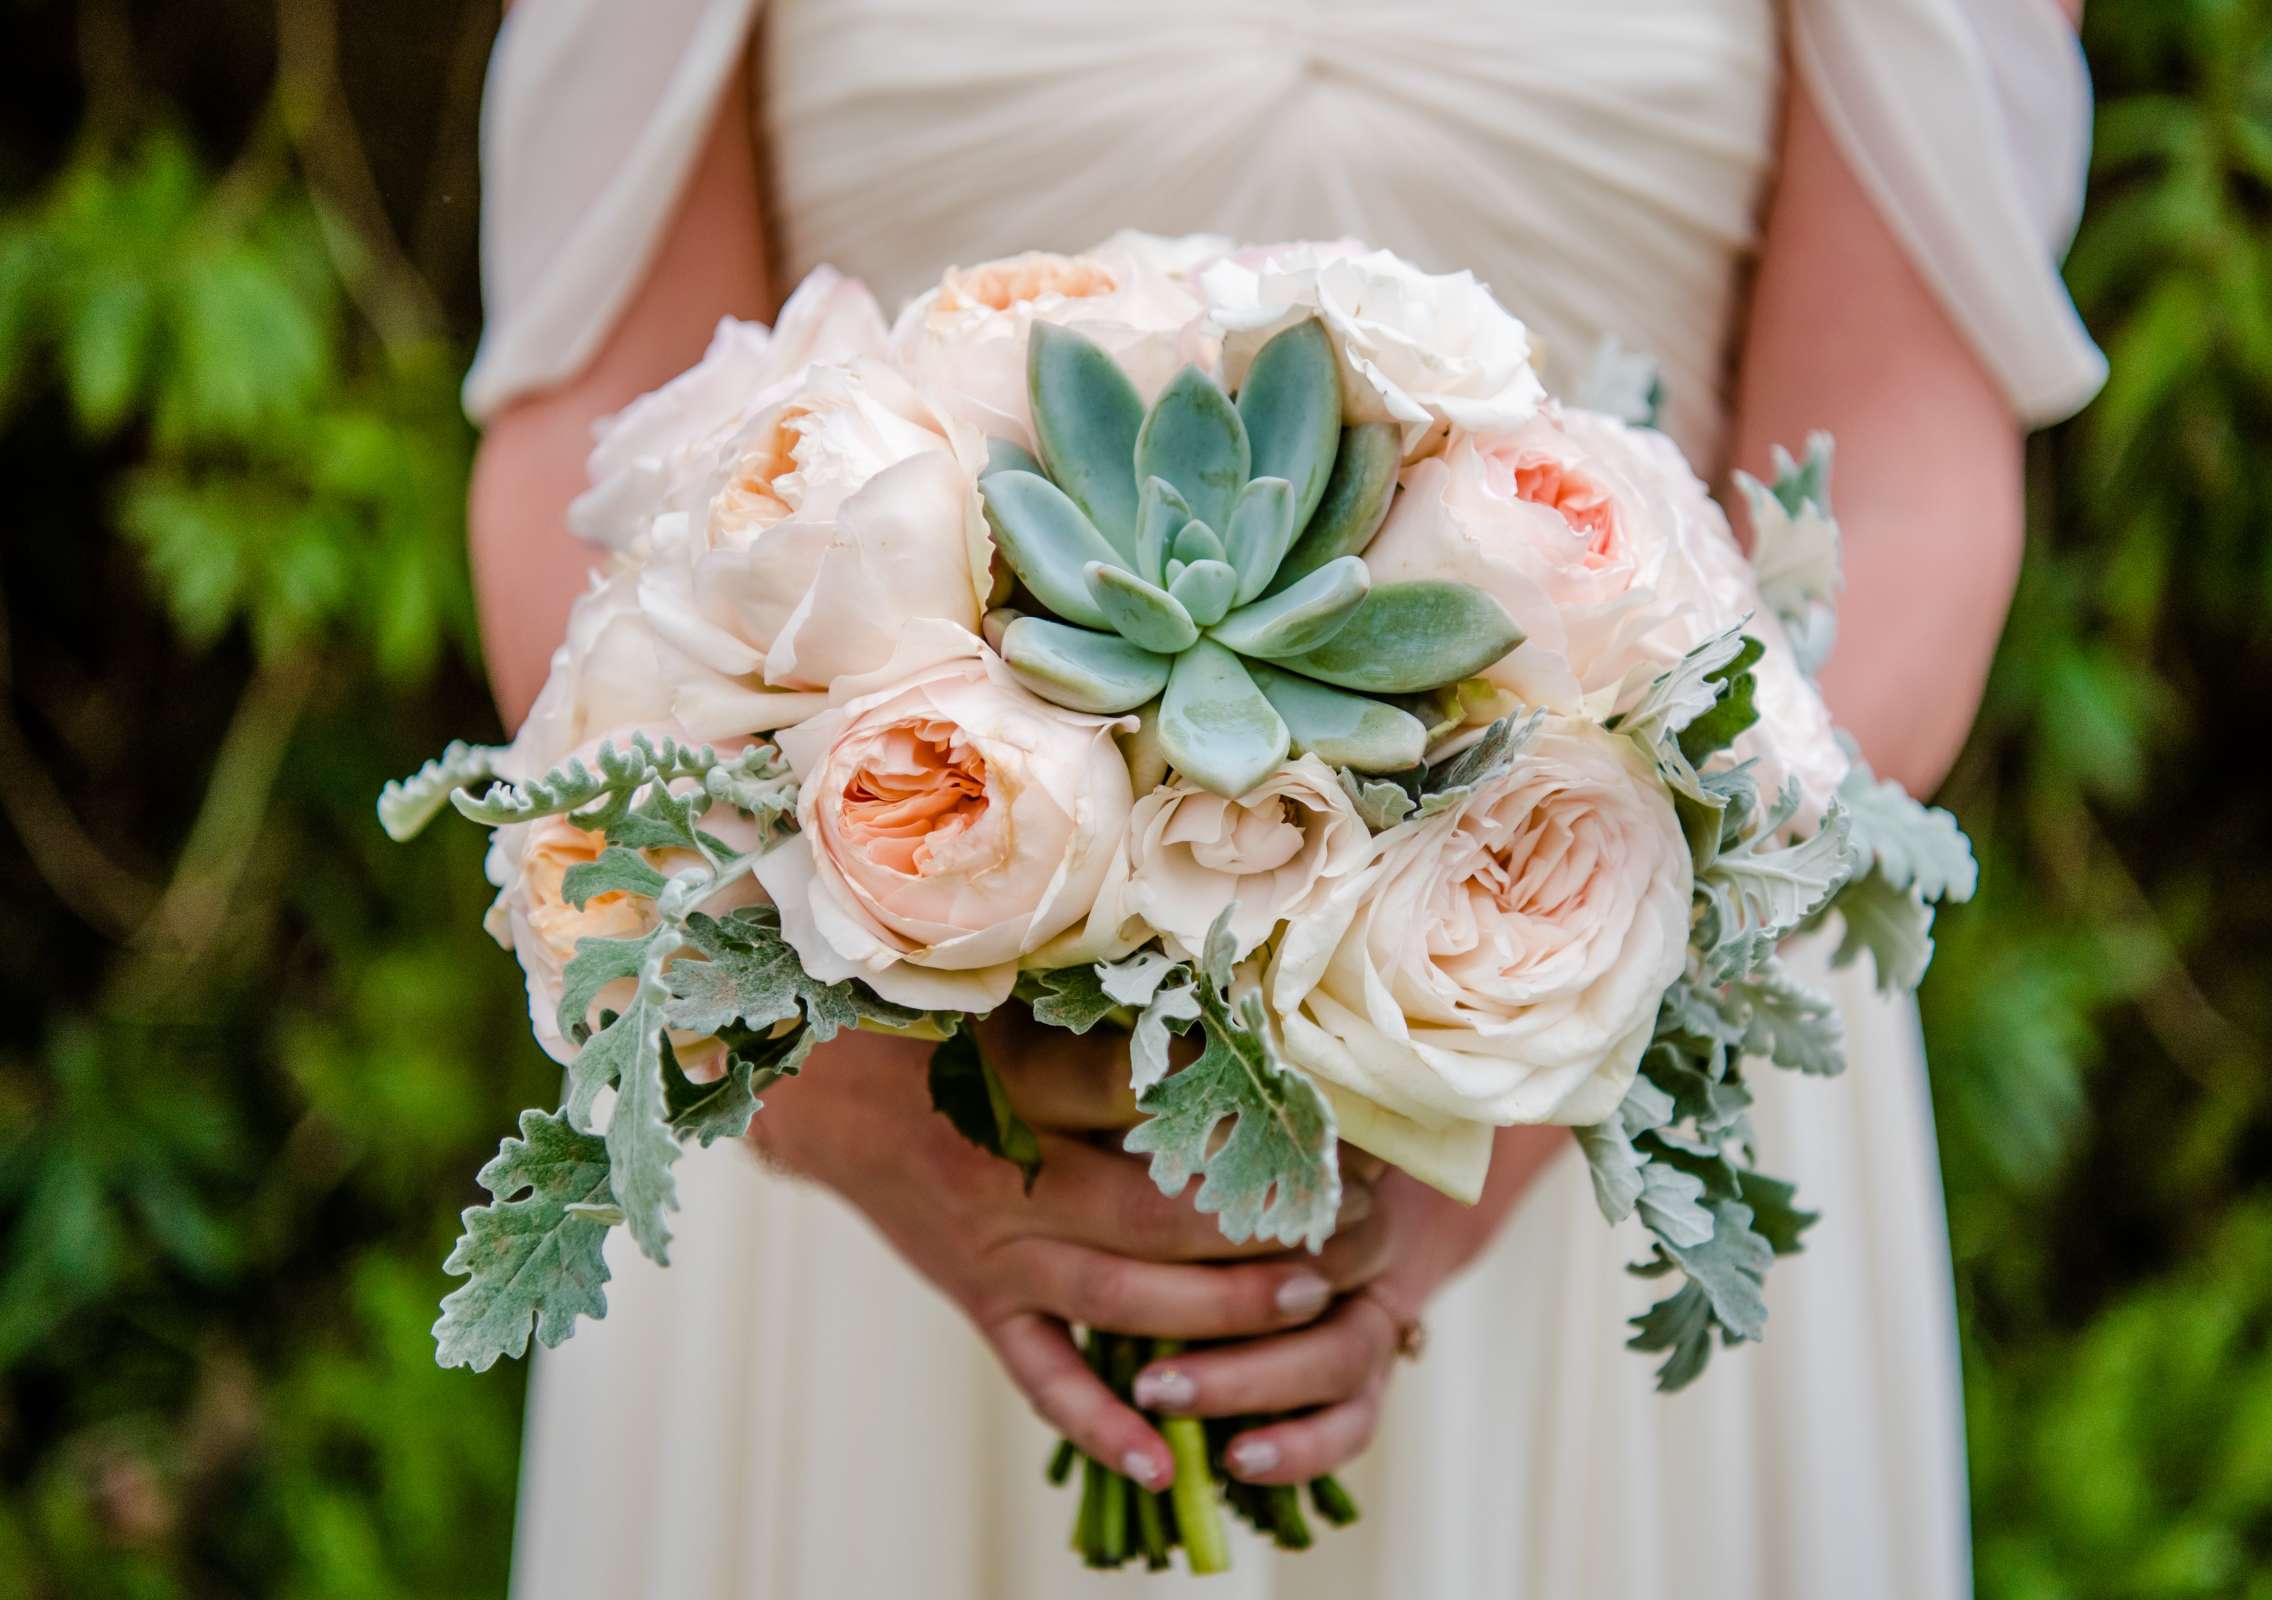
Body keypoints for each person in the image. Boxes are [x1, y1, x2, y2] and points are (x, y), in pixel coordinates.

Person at [463, 2, 2105, 1593]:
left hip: (1583, 1024)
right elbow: (591, 466)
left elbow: (1895, 492)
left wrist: (1522, 1081)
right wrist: (867, 1120)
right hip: (884, 1031)